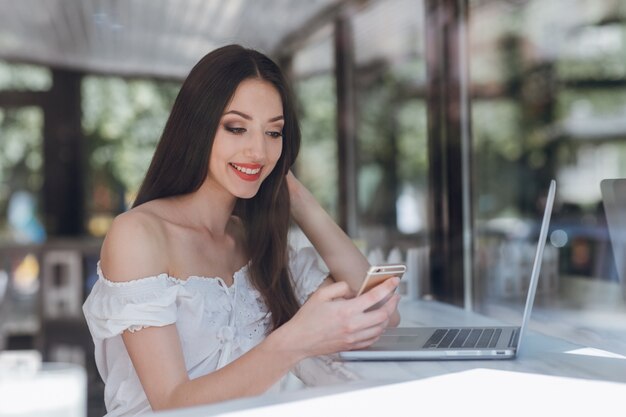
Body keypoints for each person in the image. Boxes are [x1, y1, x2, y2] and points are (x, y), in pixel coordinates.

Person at [82, 44, 401, 416]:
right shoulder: (138, 235)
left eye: (274, 133)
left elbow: (381, 309)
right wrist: (295, 342)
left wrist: (299, 198)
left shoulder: (256, 241)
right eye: (237, 128)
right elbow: (171, 403)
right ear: (197, 127)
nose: (258, 151)